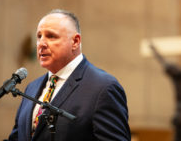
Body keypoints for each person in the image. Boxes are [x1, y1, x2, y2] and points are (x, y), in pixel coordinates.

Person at [8, 9, 131, 141]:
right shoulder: (32, 88)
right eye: (39, 36)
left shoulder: (102, 88)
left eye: (51, 36)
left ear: (75, 41)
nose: (41, 44)